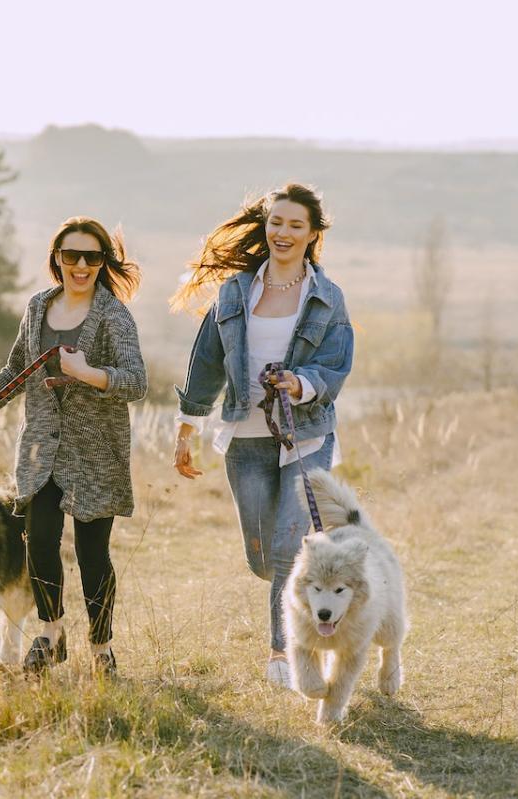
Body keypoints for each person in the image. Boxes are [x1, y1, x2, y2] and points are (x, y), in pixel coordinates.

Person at [170, 183, 354, 688]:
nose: (283, 232)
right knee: (261, 558)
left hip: (306, 437)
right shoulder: (235, 292)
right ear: (265, 226)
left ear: (312, 234)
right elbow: (206, 361)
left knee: (288, 547)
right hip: (245, 437)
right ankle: (305, 604)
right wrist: (186, 427)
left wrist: (299, 383)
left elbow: (335, 365)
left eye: (296, 225)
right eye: (277, 222)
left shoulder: (327, 298)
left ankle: (283, 653)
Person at [0, 216, 147, 676]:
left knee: (92, 556)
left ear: (102, 262)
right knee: (39, 543)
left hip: (96, 453)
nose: (81, 265)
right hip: (41, 449)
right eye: (71, 255)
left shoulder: (114, 315)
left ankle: (101, 646)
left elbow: (136, 381)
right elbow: (17, 369)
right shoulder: (38, 306)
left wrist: (87, 374)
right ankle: (51, 633)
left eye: (92, 257)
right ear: (56, 259)